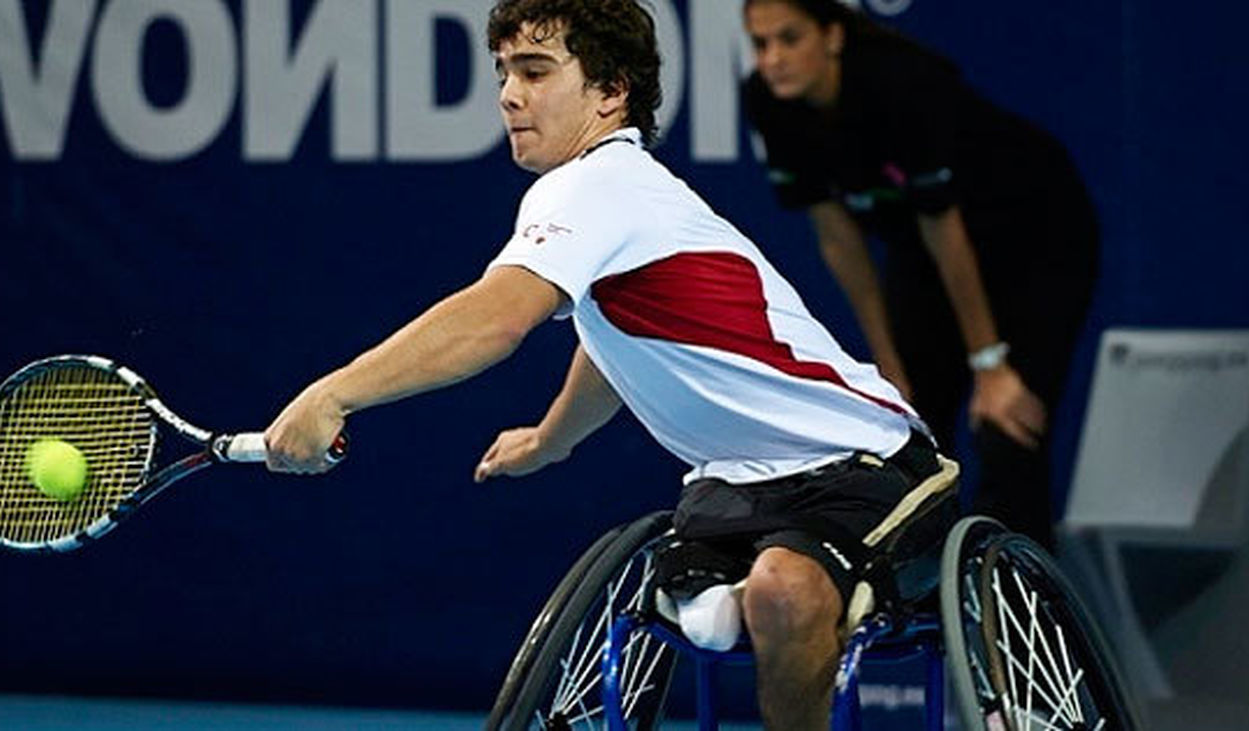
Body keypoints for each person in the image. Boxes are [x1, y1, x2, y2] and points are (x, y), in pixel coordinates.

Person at [264, 0, 956, 727]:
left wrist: (333, 394)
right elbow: (613, 345)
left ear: (610, 91)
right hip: (737, 488)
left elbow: (495, 318)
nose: (507, 93)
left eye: (535, 71)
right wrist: (550, 438)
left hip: (862, 461)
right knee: (713, 612)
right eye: (503, 72)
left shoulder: (598, 184)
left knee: (781, 590)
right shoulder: (614, 194)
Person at [742, 0, 1099, 551]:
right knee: (907, 427)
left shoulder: (901, 86)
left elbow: (946, 229)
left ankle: (1016, 617)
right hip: (923, 251)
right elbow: (839, 238)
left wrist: (990, 365)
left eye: (790, 39)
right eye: (761, 44)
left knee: (1007, 426)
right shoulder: (769, 102)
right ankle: (920, 608)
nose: (774, 60)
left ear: (832, 36)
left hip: (1037, 241)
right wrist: (889, 364)